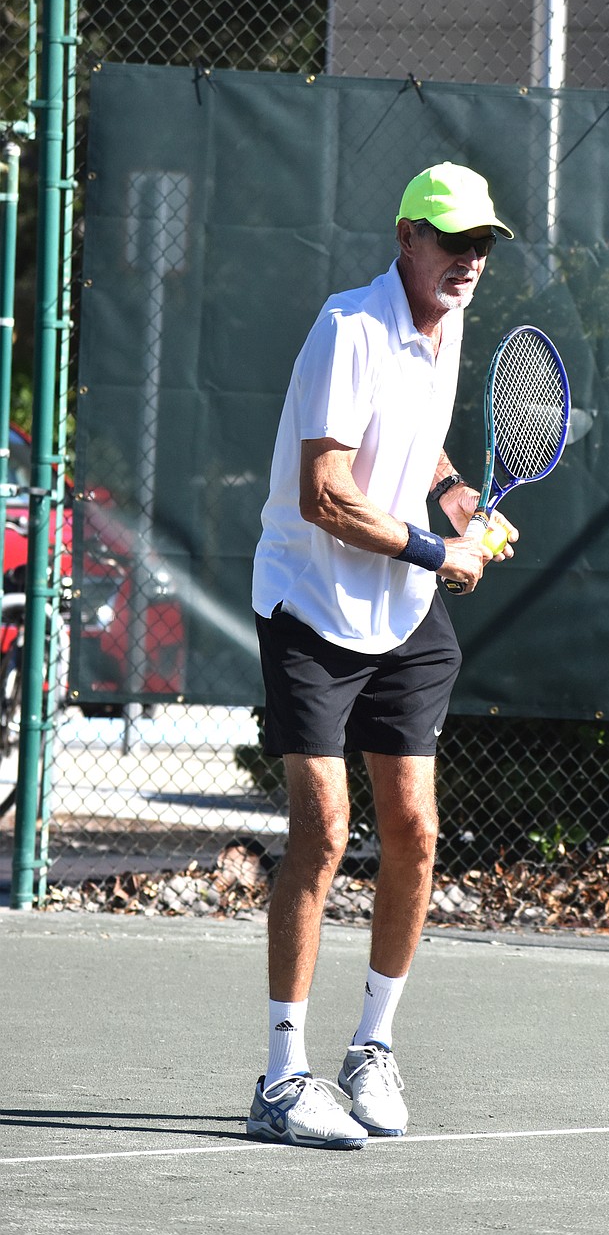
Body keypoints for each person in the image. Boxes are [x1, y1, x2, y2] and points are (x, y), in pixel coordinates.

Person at [247, 162, 517, 1150]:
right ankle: (282, 1076)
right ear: (404, 236)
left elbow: (422, 449)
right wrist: (436, 547)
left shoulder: (444, 329)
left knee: (413, 827)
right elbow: (324, 492)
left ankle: (372, 1048)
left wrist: (454, 501)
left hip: (402, 619)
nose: (469, 261)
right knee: (322, 825)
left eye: (482, 244)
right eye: (452, 241)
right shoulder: (348, 330)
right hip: (312, 607)